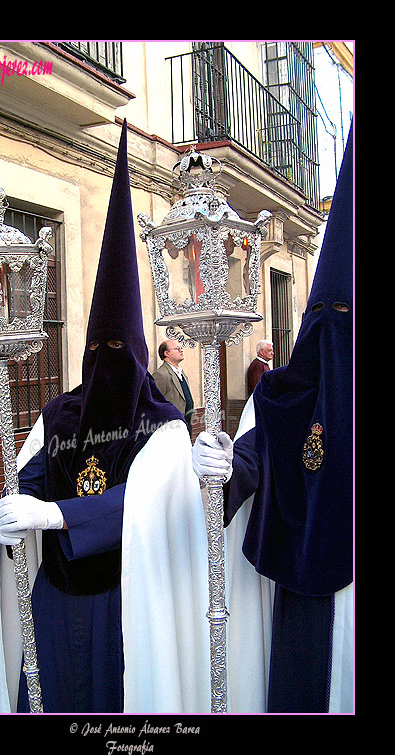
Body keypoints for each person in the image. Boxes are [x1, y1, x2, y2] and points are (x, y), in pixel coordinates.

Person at [0, 121, 231, 714]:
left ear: (141, 352)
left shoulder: (162, 422)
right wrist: (13, 514)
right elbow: (27, 480)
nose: (106, 362)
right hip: (55, 595)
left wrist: (57, 514)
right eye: (96, 349)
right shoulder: (60, 412)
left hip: (125, 601)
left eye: (118, 350)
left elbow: (145, 501)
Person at [193, 125, 353, 713]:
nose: (332, 327)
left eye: (347, 315)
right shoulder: (284, 396)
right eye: (323, 313)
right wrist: (219, 465)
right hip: (298, 592)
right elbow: (256, 455)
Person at [152, 340, 194, 430]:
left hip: (186, 425)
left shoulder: (182, 374)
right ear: (167, 353)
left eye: (180, 348)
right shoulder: (161, 374)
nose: (181, 350)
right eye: (177, 349)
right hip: (171, 427)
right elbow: (155, 403)